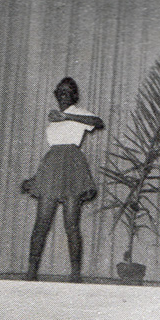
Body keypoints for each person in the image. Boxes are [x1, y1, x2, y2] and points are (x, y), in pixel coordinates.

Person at [22, 77, 104, 282]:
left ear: (74, 95)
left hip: (73, 166)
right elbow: (53, 152)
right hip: (52, 166)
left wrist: (66, 116)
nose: (63, 95)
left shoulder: (78, 112)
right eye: (60, 91)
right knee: (41, 224)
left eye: (67, 91)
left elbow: (98, 122)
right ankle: (31, 272)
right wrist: (37, 178)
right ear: (56, 94)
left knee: (71, 225)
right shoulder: (52, 118)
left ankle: (75, 274)